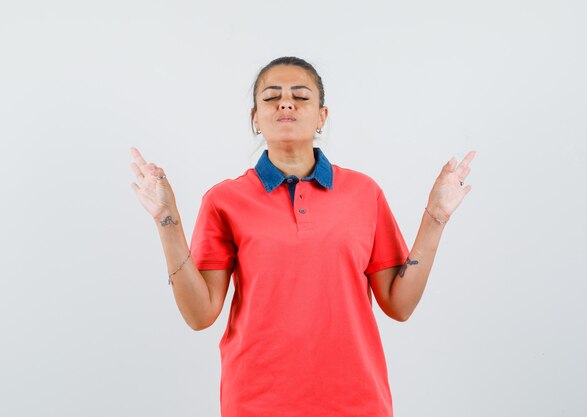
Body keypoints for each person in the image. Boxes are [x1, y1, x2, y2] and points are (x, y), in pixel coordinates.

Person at [130, 56, 476, 417]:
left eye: (300, 95)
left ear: (322, 116)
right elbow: (200, 315)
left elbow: (399, 304)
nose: (285, 102)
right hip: (256, 402)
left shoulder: (363, 192)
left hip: (356, 401)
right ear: (255, 118)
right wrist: (166, 220)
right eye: (271, 96)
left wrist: (436, 217)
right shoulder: (224, 200)